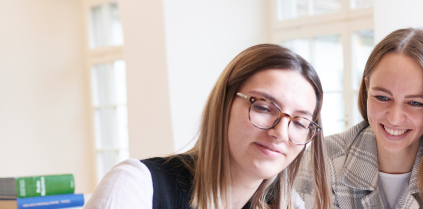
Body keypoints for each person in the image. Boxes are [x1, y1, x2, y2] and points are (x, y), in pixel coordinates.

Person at [85, 44, 333, 209]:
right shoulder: (136, 185)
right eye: (264, 107)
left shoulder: (289, 204)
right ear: (223, 103)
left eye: (300, 122)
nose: (280, 133)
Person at [295, 28, 423, 209]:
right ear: (367, 87)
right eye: (382, 98)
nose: (395, 118)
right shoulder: (323, 159)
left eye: (415, 103)